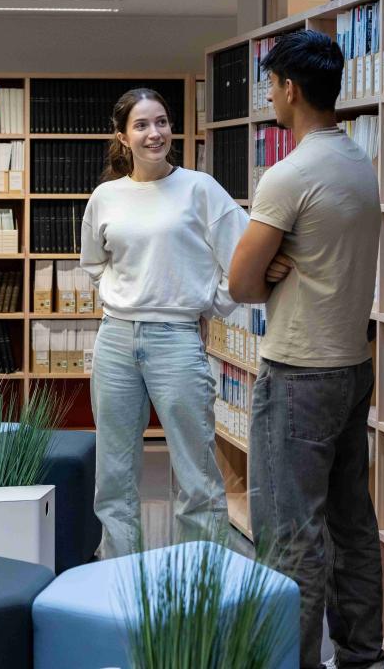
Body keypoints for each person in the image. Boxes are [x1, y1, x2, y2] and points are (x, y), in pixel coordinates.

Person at [227, 29, 384, 669]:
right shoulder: (358, 162)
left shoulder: (288, 175)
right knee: (351, 524)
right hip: (353, 365)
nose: (268, 95)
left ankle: (292, 660)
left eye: (269, 85)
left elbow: (239, 283)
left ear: (290, 89)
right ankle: (362, 654)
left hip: (299, 374)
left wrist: (270, 268)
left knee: (290, 533)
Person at [79, 88, 249, 558]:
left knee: (196, 473)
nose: (154, 133)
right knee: (113, 474)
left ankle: (199, 579)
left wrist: (208, 305)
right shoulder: (107, 196)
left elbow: (242, 263)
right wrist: (124, 299)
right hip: (115, 339)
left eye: (161, 122)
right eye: (141, 125)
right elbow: (94, 264)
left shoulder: (200, 189)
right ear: (122, 136)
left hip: (175, 339)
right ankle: (119, 572)